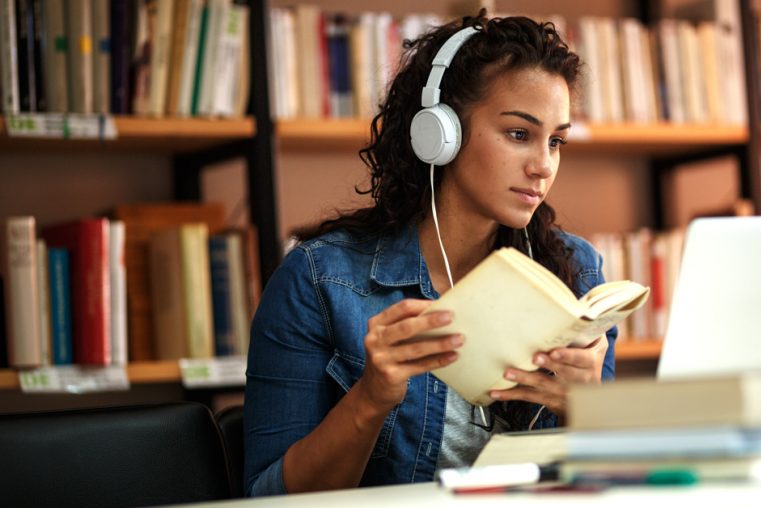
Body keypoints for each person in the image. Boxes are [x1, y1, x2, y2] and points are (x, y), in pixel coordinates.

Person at [244, 12, 618, 496]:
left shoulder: (575, 272)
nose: (543, 166)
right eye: (519, 134)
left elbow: (605, 485)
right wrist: (371, 397)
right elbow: (269, 497)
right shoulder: (319, 280)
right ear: (441, 134)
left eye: (556, 141)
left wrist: (588, 409)